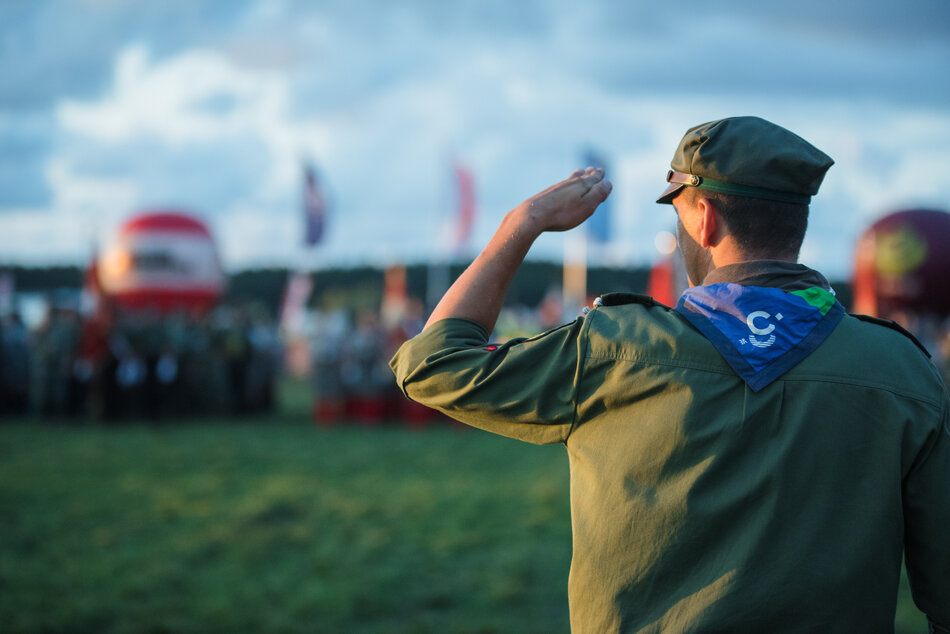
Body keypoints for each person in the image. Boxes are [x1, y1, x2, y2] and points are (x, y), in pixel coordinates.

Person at [390, 116, 950, 632]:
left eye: (676, 210)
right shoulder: (902, 370)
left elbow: (434, 364)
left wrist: (522, 224)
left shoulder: (616, 347)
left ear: (703, 219)